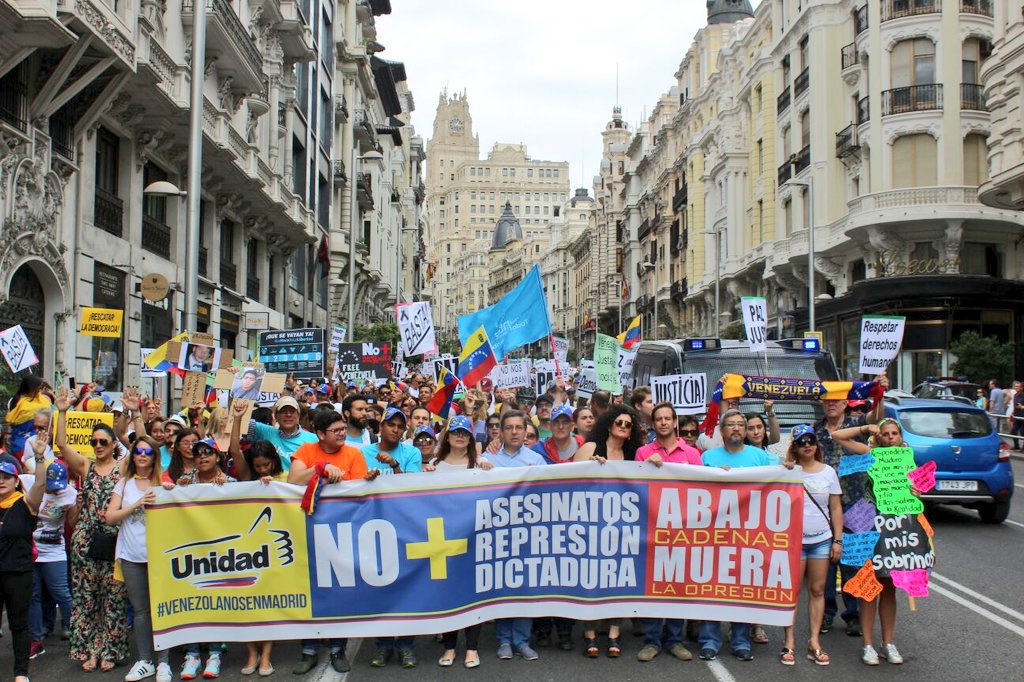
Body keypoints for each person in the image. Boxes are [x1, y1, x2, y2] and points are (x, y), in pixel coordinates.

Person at [287, 409, 372, 674]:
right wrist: (320, 468)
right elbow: (293, 480)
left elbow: (359, 491)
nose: (342, 434)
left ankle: (338, 648)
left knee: (339, 590)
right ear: (320, 434)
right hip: (310, 533)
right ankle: (308, 649)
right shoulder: (306, 450)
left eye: (343, 429)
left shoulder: (354, 454)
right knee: (311, 588)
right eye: (336, 431)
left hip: (342, 533)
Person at [53, 386, 129, 672]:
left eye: (103, 442)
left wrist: (129, 415)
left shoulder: (123, 468)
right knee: (87, 599)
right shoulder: (85, 466)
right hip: (85, 542)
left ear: (112, 445)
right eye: (94, 441)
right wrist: (61, 411)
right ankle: (91, 651)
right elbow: (61, 443)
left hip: (113, 541)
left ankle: (109, 650)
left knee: (113, 599)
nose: (98, 446)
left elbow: (146, 452)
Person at [697, 409, 776, 662]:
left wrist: (787, 468)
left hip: (749, 536)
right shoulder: (708, 457)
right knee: (712, 588)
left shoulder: (761, 457)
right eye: (730, 424)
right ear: (722, 431)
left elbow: (779, 482)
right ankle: (709, 640)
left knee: (743, 589)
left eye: (740, 424)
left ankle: (741, 640)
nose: (736, 428)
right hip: (715, 535)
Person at [834, 418, 911, 666]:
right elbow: (838, 436)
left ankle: (888, 642)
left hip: (898, 530)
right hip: (870, 527)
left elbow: (919, 494)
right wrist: (866, 429)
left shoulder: (908, 458)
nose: (890, 437)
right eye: (886, 434)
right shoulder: (870, 454)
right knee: (869, 586)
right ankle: (868, 644)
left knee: (889, 588)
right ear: (879, 437)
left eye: (894, 434)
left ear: (900, 437)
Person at [815, 380, 886, 638]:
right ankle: (826, 613)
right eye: (827, 400)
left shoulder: (857, 426)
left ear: (846, 402)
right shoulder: (815, 430)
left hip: (857, 505)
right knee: (826, 562)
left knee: (854, 561)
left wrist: (880, 392)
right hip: (824, 507)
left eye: (836, 400)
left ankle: (854, 613)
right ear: (822, 404)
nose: (831, 404)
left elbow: (877, 416)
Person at [104, 436, 171, 682]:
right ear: (133, 456)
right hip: (131, 555)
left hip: (160, 556)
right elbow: (110, 517)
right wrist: (137, 504)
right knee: (141, 611)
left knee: (161, 609)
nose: (142, 455)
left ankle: (164, 662)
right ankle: (145, 660)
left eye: (148, 451)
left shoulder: (164, 482)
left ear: (155, 456)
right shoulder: (124, 484)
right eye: (138, 451)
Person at [361, 407, 421, 668]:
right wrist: (368, 479)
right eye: (390, 425)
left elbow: (414, 490)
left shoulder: (412, 453)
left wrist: (395, 466)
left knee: (407, 589)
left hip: (404, 530)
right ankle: (383, 645)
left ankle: (406, 645)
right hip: (372, 529)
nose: (395, 430)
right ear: (380, 427)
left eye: (400, 426)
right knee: (380, 589)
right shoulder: (362, 453)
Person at [780, 426, 843, 667]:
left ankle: (814, 641)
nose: (807, 445)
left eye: (811, 440)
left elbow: (835, 508)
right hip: (794, 541)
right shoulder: (788, 471)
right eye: (802, 441)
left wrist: (837, 540)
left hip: (821, 540)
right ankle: (790, 641)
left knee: (818, 590)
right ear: (794, 446)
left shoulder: (828, 472)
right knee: (792, 592)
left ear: (816, 444)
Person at [484, 410, 544, 661]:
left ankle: (522, 640)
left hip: (527, 535)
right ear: (500, 431)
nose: (515, 432)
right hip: (498, 535)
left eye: (519, 427)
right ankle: (504, 641)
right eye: (509, 427)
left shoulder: (537, 460)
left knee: (524, 591)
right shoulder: (487, 459)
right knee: (502, 589)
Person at [0, 451, 46, 682]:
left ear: (16, 480)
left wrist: (39, 458)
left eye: (6, 476)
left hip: (18, 573)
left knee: (18, 624)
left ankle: (20, 673)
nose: (1, 481)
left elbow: (40, 483)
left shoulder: (24, 503)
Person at [27, 447, 76, 662]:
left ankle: (76, 633)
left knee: (62, 593)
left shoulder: (71, 493)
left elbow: (72, 524)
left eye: (59, 487)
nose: (55, 491)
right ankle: (36, 640)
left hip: (55, 551)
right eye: (51, 487)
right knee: (33, 595)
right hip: (32, 550)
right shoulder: (33, 486)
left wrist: (77, 506)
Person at [247, 396, 318, 471]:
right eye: (283, 411)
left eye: (292, 411)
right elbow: (241, 420)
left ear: (298, 415)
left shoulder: (314, 439)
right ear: (276, 416)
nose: (288, 415)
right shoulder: (266, 432)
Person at [6, 375, 51, 461]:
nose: (39, 391)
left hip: (23, 440)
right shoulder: (17, 401)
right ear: (30, 388)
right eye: (38, 388)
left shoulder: (39, 399)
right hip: (22, 442)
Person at [19, 408, 53, 474]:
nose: (37, 431)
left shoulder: (63, 444)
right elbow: (26, 467)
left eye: (41, 428)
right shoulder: (31, 441)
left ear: (53, 426)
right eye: (35, 427)